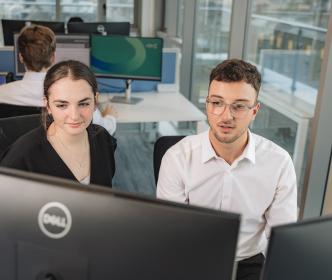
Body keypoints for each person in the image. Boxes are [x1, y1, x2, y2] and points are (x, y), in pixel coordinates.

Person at [157, 59, 297, 280]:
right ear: (207, 105)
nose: (226, 116)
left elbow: (282, 239)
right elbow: (172, 232)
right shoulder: (177, 158)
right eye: (217, 103)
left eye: (239, 106)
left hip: (249, 262)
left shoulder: (279, 162)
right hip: (193, 258)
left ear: (255, 111)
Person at [0, 60, 116, 187]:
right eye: (62, 105)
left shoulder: (103, 140)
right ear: (48, 105)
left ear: (95, 101)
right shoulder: (21, 159)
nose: (74, 116)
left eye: (83, 104)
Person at [0, 24, 116, 135]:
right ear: (53, 57)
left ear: (20, 57)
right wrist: (110, 117)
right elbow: (103, 130)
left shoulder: (2, 93)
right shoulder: (76, 95)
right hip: (60, 155)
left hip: (12, 155)